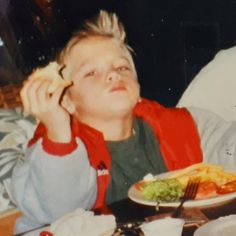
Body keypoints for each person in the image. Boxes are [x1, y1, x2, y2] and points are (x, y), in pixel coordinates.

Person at [10, 10, 236, 234]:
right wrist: (58, 131)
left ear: (137, 89)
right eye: (91, 73)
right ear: (66, 100)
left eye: (122, 67)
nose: (113, 75)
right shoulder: (54, 146)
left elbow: (225, 142)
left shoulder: (174, 124)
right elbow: (58, 211)